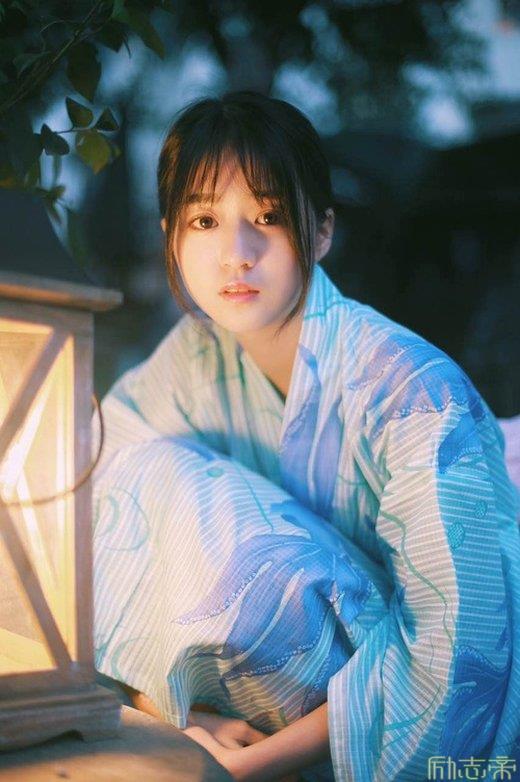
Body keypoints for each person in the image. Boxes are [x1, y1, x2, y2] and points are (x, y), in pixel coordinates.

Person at [93, 92, 520, 782]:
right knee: (120, 471)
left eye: (267, 217)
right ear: (172, 234)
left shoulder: (412, 393)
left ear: (321, 232)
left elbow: (459, 644)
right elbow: (103, 528)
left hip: (408, 723)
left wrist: (251, 765)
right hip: (232, 719)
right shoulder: (191, 360)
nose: (236, 255)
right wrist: (176, 714)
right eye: (204, 220)